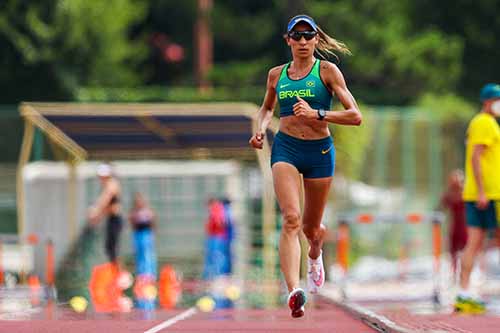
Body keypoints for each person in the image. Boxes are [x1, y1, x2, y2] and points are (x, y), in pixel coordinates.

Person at [249, 14, 362, 318]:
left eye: (307, 36)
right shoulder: (276, 74)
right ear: (287, 40)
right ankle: (293, 289)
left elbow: (355, 115)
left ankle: (315, 251)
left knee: (311, 228)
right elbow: (266, 108)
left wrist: (318, 114)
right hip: (286, 147)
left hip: (319, 151)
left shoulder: (327, 71)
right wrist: (260, 129)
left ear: (315, 39)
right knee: (290, 218)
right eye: (296, 36)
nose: (302, 42)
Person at [455, 83, 500, 313]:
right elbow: (475, 157)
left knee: (477, 242)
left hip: (483, 193)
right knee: (475, 242)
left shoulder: (484, 123)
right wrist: (482, 191)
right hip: (486, 194)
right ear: (488, 101)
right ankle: (464, 291)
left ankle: (466, 291)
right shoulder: (484, 122)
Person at [88, 163, 123, 270]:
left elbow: (105, 200)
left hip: (115, 220)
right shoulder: (107, 185)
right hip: (111, 219)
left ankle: (117, 273)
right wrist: (98, 215)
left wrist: (95, 210)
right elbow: (106, 206)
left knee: (112, 249)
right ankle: (114, 272)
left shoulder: (112, 184)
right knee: (109, 249)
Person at [439, 169, 467, 281]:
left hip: (466, 227)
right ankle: (455, 274)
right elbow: (440, 207)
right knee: (453, 252)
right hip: (454, 226)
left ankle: (464, 274)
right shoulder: (449, 194)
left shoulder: (466, 193)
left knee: (466, 251)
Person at [129, 192, 157, 279]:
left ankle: (149, 274)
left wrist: (152, 234)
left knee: (147, 254)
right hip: (138, 235)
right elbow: (132, 222)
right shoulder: (134, 212)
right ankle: (141, 274)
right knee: (139, 255)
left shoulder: (147, 211)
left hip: (146, 234)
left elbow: (153, 222)